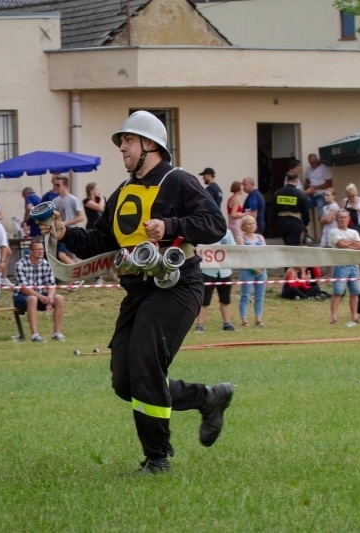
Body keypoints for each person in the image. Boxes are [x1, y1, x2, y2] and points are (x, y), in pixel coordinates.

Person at [42, 110, 231, 474]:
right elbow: (99, 241)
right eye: (122, 142)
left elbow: (214, 224)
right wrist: (64, 233)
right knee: (124, 381)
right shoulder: (122, 192)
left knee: (145, 366)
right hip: (137, 290)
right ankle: (208, 398)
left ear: (149, 144)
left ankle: (157, 458)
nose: (122, 148)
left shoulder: (180, 182)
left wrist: (170, 225)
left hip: (177, 286)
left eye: (127, 141)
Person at [12, 239, 66, 342]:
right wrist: (41, 297)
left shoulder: (46, 264)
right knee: (32, 298)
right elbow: (24, 289)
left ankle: (57, 333)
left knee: (59, 298)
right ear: (31, 251)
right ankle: (35, 335)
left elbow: (51, 285)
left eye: (42, 249)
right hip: (21, 297)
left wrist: (50, 297)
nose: (41, 251)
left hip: (41, 296)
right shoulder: (20, 265)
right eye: (38, 249)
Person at [196, 229, 237, 332]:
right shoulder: (204, 232)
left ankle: (227, 323)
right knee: (204, 300)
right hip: (208, 271)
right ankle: (200, 325)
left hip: (225, 271)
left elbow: (233, 248)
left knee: (225, 300)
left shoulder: (228, 232)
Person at [328, 210, 360, 326]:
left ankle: (354, 316)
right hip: (340, 265)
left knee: (355, 293)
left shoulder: (353, 231)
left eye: (345, 217)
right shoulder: (333, 232)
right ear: (337, 220)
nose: (343, 219)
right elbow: (340, 244)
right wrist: (352, 242)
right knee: (338, 293)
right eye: (341, 218)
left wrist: (347, 243)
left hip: (354, 265)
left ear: (348, 219)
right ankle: (334, 317)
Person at [236, 215, 267, 327]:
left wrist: (261, 267)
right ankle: (244, 320)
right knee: (245, 295)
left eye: (253, 223)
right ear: (243, 226)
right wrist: (253, 268)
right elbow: (243, 256)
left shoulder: (260, 238)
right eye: (249, 223)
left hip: (261, 269)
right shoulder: (241, 239)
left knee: (260, 295)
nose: (251, 225)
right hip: (247, 270)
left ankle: (258, 319)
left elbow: (266, 253)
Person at [273, 169, 309, 246]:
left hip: (281, 222)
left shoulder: (278, 193)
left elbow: (274, 209)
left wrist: (276, 222)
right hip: (294, 222)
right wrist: (305, 223)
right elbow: (305, 210)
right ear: (296, 180)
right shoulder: (299, 194)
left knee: (286, 243)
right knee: (293, 245)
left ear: (287, 179)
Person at [304, 153, 333, 239]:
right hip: (311, 194)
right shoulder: (308, 170)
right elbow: (307, 181)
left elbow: (329, 183)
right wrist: (308, 188)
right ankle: (307, 235)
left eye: (313, 162)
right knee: (303, 207)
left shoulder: (324, 168)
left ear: (317, 160)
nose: (312, 165)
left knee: (321, 216)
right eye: (310, 163)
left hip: (321, 194)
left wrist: (316, 187)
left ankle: (324, 237)